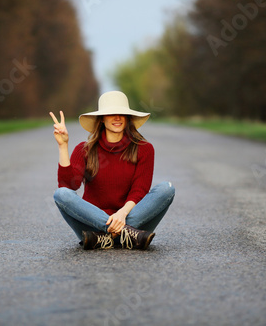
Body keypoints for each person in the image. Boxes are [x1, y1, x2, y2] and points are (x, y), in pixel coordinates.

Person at [50, 90, 175, 250]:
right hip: (96, 226)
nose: (117, 118)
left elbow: (140, 189)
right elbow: (69, 185)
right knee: (61, 194)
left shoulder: (144, 149)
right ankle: (123, 234)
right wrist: (63, 146)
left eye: (121, 114)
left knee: (167, 188)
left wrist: (122, 214)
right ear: (102, 119)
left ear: (127, 118)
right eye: (111, 114)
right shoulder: (84, 150)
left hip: (128, 220)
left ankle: (106, 238)